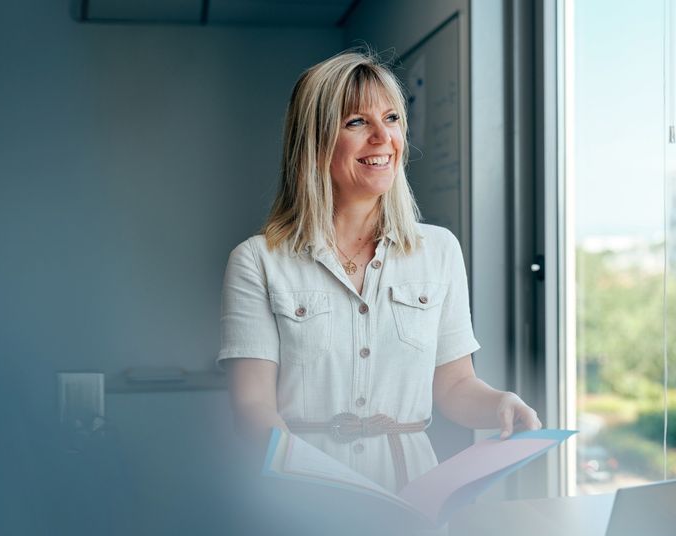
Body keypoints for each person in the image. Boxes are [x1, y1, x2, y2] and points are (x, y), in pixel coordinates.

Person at [219, 49, 542, 494]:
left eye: (391, 119)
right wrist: (308, 485)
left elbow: (454, 386)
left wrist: (500, 404)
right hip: (302, 502)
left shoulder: (440, 251)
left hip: (413, 495)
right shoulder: (258, 260)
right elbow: (253, 406)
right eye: (356, 122)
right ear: (313, 144)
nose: (382, 137)